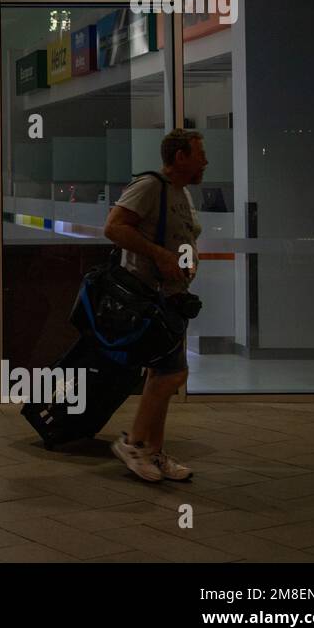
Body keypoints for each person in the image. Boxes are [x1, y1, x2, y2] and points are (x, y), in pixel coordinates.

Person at [103, 128, 207, 482]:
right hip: (152, 298)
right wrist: (160, 255)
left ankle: (152, 450)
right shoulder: (150, 187)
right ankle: (133, 444)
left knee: (161, 375)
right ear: (180, 157)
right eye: (199, 154)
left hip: (174, 298)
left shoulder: (182, 193)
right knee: (173, 374)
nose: (205, 162)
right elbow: (114, 228)